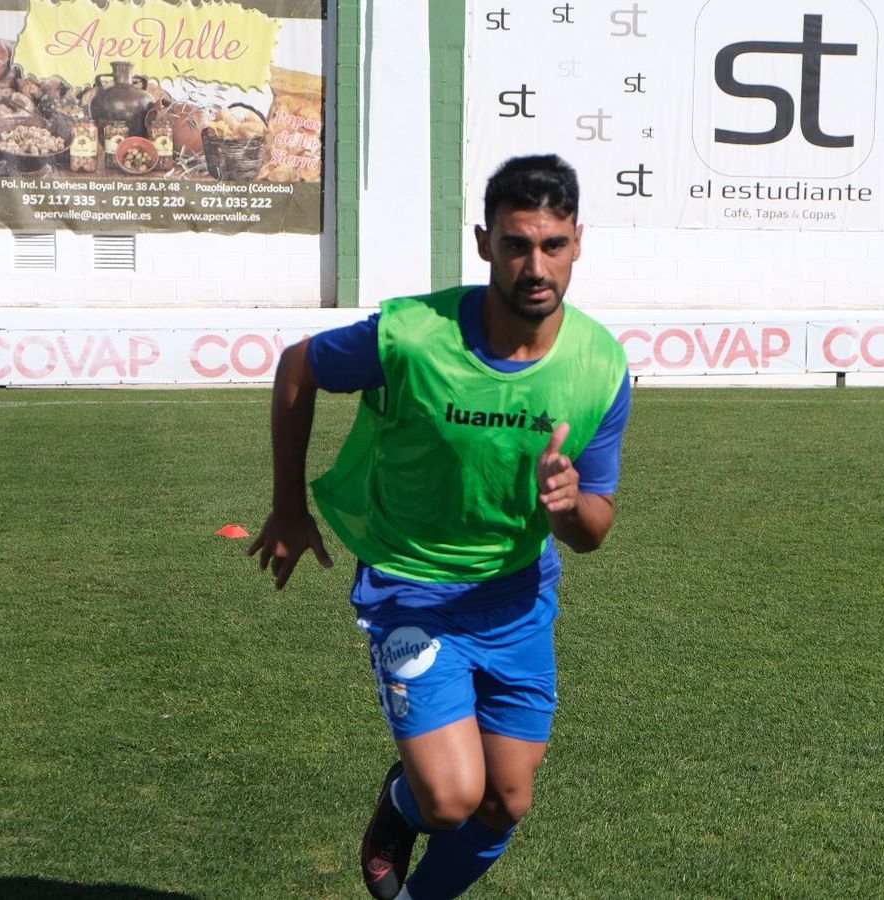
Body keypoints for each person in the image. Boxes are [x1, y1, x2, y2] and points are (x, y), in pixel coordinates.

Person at [249, 154, 631, 900]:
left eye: (552, 245)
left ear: (577, 243)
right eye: (517, 243)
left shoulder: (599, 366)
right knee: (451, 801)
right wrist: (288, 507)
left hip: (517, 599)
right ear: (485, 242)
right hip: (411, 589)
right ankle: (405, 801)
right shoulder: (414, 336)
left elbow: (594, 531)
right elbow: (299, 367)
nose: (534, 264)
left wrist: (570, 503)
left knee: (505, 801)